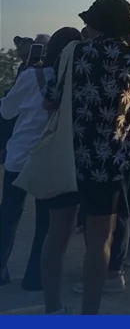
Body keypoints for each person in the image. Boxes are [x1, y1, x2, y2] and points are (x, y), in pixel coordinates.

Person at [40, 0, 130, 314]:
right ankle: (89, 316)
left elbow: (50, 100)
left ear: (94, 23)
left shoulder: (72, 52)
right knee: (99, 245)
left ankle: (53, 309)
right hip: (107, 164)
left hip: (67, 157)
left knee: (56, 238)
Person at [1, 28, 80, 291]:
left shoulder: (32, 75)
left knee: (9, 214)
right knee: (46, 222)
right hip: (52, 157)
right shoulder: (75, 78)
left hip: (20, 153)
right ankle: (35, 277)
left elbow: (7, 110)